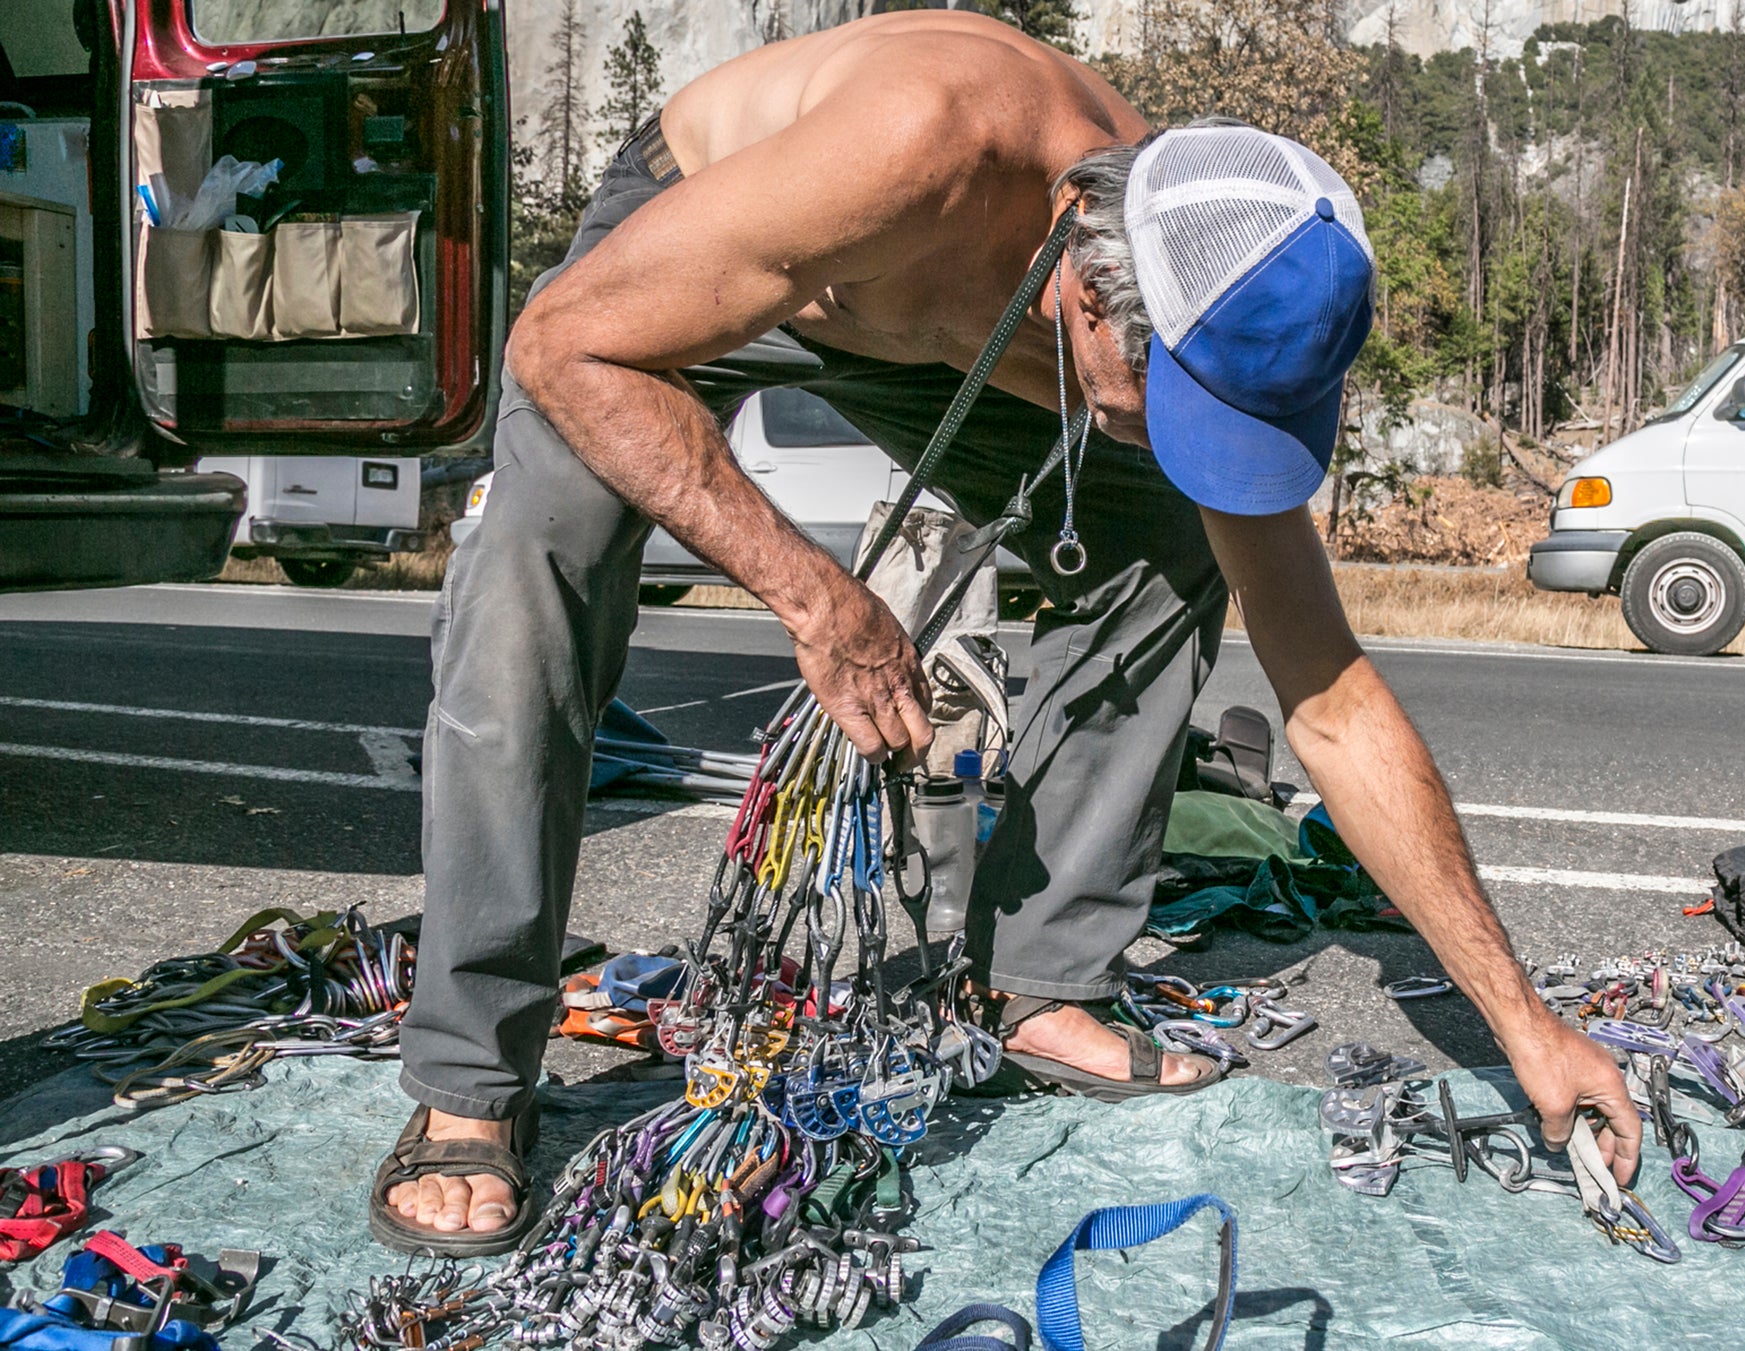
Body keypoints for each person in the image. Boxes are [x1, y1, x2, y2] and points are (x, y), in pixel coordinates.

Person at [370, 10, 1640, 1255]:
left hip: (933, 330)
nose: (1180, 442)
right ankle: (469, 1073)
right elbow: (563, 344)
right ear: (1091, 297)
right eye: (1170, 409)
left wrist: (1521, 1019)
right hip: (728, 264)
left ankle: (1044, 981)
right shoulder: (920, 143)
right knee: (533, 562)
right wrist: (819, 600)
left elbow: (1330, 699)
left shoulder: (1224, 293)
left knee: (1168, 537)